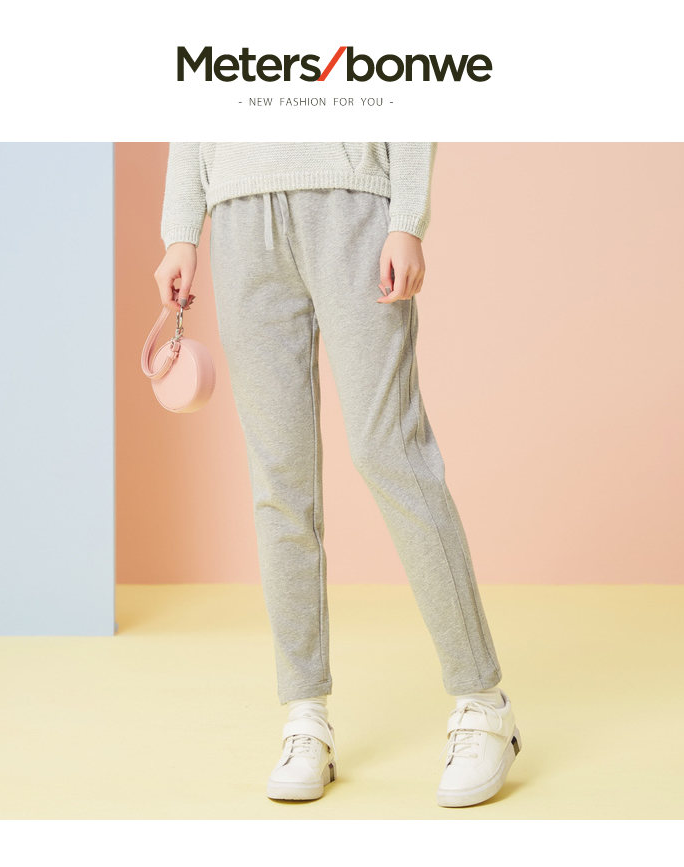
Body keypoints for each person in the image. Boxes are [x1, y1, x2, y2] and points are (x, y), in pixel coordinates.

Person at [154, 142, 521, 807]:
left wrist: (406, 218)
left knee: (391, 452)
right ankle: (305, 717)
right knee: (279, 481)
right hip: (239, 216)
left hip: (352, 204)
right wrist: (181, 230)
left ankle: (482, 702)